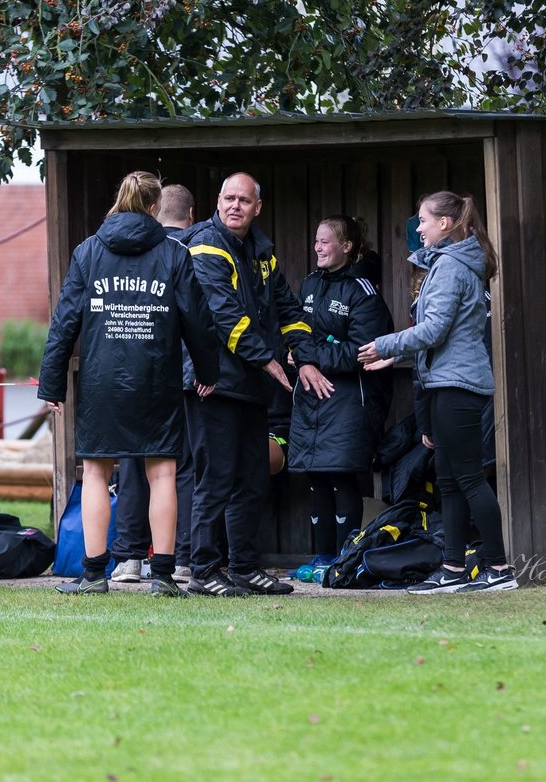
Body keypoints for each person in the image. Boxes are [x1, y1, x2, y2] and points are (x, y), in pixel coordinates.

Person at [38, 172, 219, 597]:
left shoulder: (87, 251)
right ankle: (163, 576)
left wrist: (51, 384)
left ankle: (95, 574)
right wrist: (208, 373)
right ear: (155, 206)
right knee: (163, 475)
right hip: (157, 379)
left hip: (102, 382)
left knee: (98, 472)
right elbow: (198, 319)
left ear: (119, 200)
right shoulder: (174, 253)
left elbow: (64, 322)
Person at [181, 172, 334, 596]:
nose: (235, 206)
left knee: (251, 478)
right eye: (229, 198)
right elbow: (225, 316)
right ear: (217, 202)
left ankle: (245, 569)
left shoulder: (261, 252)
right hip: (213, 383)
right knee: (216, 478)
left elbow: (290, 308)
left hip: (249, 386)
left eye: (243, 200)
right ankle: (203, 571)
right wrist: (268, 360)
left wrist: (304, 358)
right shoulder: (206, 245)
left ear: (257, 207)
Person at [358, 190, 516, 594]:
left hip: (458, 387)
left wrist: (386, 345)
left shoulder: (450, 266)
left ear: (445, 223)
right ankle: (453, 568)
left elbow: (434, 330)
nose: (420, 228)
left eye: (424, 221)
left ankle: (499, 569)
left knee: (467, 478)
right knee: (449, 480)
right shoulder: (451, 263)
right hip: (447, 385)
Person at [288, 215, 393, 562]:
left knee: (340, 475)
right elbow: (296, 333)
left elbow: (365, 351)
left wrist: (310, 356)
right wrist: (298, 355)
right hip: (309, 396)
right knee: (316, 477)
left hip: (347, 398)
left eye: (325, 241)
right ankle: (320, 560)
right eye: (315, 241)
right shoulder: (309, 284)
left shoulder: (362, 291)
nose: (317, 247)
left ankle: (343, 561)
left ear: (346, 247)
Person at [110, 184, 199, 584]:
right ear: (192, 215)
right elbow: (197, 319)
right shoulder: (186, 253)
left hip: (128, 375)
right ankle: (179, 558)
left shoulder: (118, 251)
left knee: (129, 464)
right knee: (178, 468)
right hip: (177, 376)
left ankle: (128, 558)